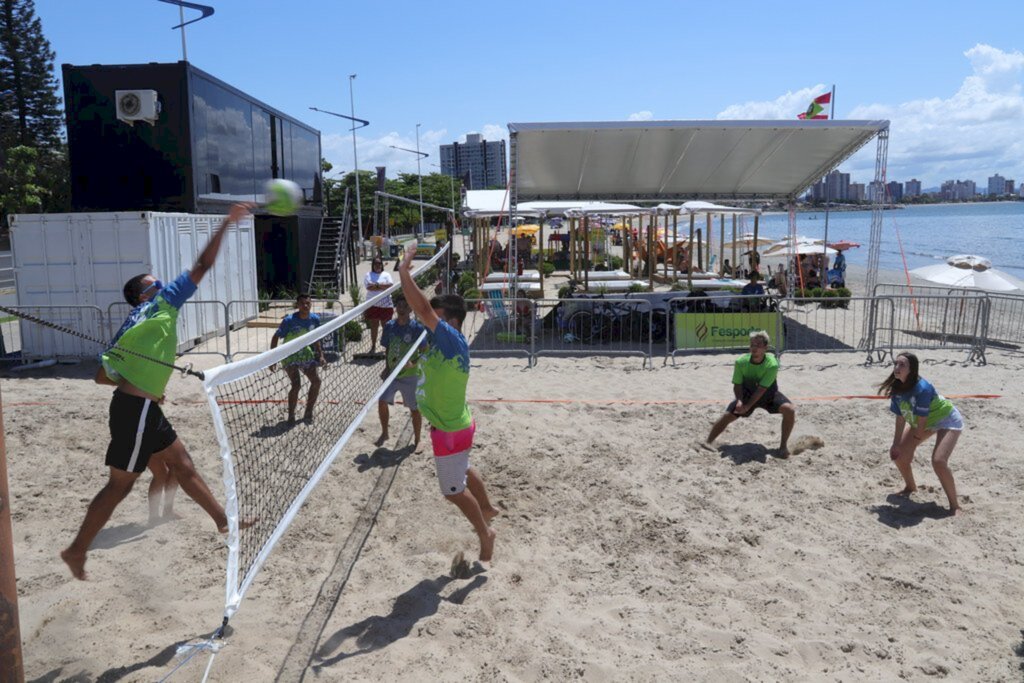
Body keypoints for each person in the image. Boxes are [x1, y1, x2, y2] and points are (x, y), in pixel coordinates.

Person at [62, 203, 255, 581]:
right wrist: (226, 223)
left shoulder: (132, 325)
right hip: (133, 410)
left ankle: (222, 522)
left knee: (182, 465)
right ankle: (76, 549)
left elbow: (103, 376)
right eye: (156, 282)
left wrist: (146, 385)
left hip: (144, 406)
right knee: (120, 485)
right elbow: (202, 265)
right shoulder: (161, 304)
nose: (164, 284)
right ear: (144, 293)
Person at [397, 242, 498, 562]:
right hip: (457, 423)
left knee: (452, 492)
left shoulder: (451, 338)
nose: (430, 322)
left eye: (438, 317)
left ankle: (486, 533)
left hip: (450, 429)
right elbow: (430, 363)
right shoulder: (440, 344)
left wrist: (403, 272)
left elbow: (423, 310)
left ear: (451, 321)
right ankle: (488, 507)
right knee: (464, 468)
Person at [878, 352, 964, 514]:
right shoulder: (897, 388)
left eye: (902, 365)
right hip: (924, 421)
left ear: (912, 369)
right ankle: (910, 487)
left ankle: (955, 506)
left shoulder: (922, 388)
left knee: (938, 461)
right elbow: (900, 417)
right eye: (895, 364)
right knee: (899, 456)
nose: (897, 367)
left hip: (946, 419)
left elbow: (922, 421)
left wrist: (914, 441)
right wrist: (896, 444)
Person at [703, 330, 796, 458]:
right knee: (727, 416)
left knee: (789, 409)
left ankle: (783, 447)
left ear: (765, 348)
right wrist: (740, 401)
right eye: (752, 344)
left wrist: (747, 406)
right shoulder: (741, 361)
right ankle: (707, 442)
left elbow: (762, 390)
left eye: (758, 345)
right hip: (747, 394)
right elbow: (737, 384)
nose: (754, 348)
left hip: (768, 395)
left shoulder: (772, 364)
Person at [375, 294, 425, 449]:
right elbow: (388, 348)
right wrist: (387, 368)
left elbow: (425, 351)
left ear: (410, 309)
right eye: (399, 306)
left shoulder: (417, 328)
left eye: (405, 306)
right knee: (382, 401)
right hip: (392, 374)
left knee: (414, 409)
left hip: (410, 375)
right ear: (395, 308)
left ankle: (417, 439)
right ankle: (385, 433)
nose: (402, 309)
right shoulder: (389, 326)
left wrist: (414, 362)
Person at [270, 293, 325, 424]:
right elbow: (275, 337)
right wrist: (272, 359)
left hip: (305, 353)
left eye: (308, 303)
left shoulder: (315, 319)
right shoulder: (289, 320)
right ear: (298, 305)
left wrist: (320, 355)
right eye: (303, 303)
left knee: (316, 381)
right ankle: (291, 415)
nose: (306, 306)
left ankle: (308, 411)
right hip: (289, 355)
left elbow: (316, 337)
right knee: (296, 385)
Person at [363, 256, 394, 352]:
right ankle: (373, 346)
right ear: (373, 265)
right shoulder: (368, 274)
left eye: (379, 263)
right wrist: (382, 286)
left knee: (386, 327)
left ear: (382, 264)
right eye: (376, 263)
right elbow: (369, 287)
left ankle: (387, 347)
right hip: (373, 305)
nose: (378, 265)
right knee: (374, 327)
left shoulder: (386, 274)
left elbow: (390, 286)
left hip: (386, 304)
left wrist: (376, 285)